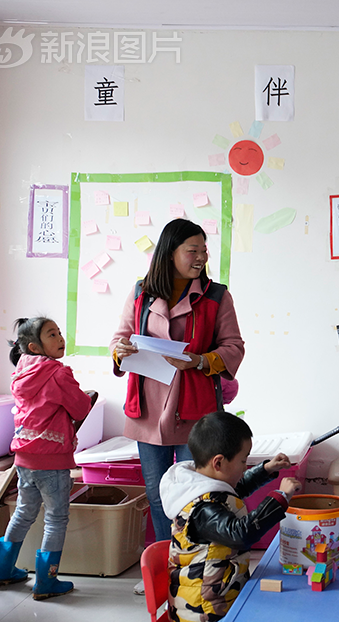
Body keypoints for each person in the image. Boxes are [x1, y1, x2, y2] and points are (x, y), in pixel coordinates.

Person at [110, 219, 244, 592]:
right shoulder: (141, 292)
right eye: (192, 250)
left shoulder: (216, 296)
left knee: (198, 496)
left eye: (204, 250)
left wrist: (200, 361)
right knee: (157, 496)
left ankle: (198, 569)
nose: (201, 257)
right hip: (147, 408)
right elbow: (120, 339)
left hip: (195, 410)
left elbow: (234, 348)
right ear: (170, 253)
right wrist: (119, 352)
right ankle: (162, 570)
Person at [0, 317, 96, 600]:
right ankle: (46, 583)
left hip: (24, 457)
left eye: (59, 332)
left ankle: (3, 571)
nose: (60, 338)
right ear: (35, 346)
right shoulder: (58, 373)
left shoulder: (21, 372)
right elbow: (81, 406)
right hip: (52, 458)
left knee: (24, 512)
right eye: (52, 334)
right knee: (56, 518)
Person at [160, 412, 301, 622]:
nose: (245, 467)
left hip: (219, 592)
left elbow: (235, 489)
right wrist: (280, 496)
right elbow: (241, 533)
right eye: (243, 461)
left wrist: (266, 469)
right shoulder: (202, 509)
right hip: (204, 610)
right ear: (218, 463)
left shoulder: (202, 481)